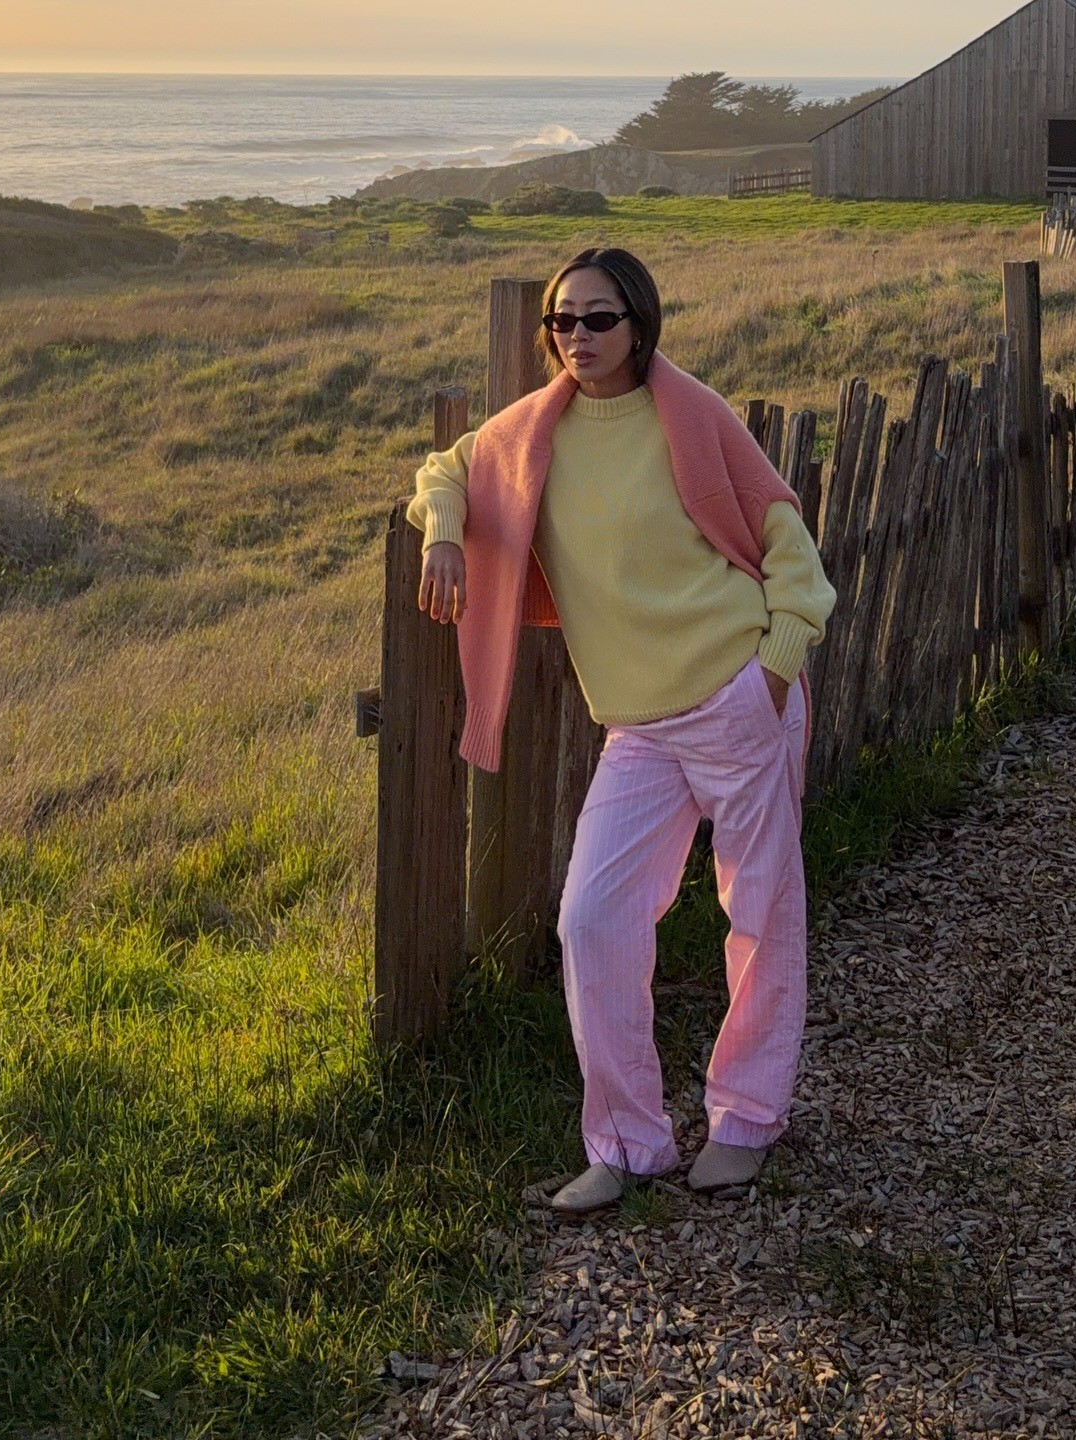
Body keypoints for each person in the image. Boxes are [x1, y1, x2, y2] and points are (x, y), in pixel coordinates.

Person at [408, 246, 835, 1213]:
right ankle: (629, 1143)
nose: (578, 336)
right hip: (637, 728)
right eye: (562, 320)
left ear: (640, 324)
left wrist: (773, 671)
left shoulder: (693, 415)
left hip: (736, 697)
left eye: (599, 318)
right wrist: (442, 532)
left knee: (761, 916)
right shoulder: (530, 434)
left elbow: (787, 540)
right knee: (592, 919)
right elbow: (444, 469)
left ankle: (746, 1122)